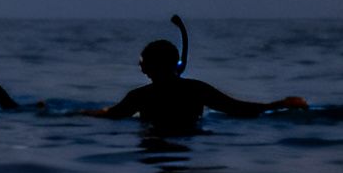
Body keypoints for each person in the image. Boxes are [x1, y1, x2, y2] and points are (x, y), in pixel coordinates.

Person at [83, 38, 305, 134]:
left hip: (155, 137)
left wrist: (77, 113)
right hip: (192, 139)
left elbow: (111, 116)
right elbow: (239, 109)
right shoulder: (196, 89)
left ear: (152, 66)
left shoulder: (140, 96)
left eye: (142, 64)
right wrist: (281, 104)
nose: (140, 69)